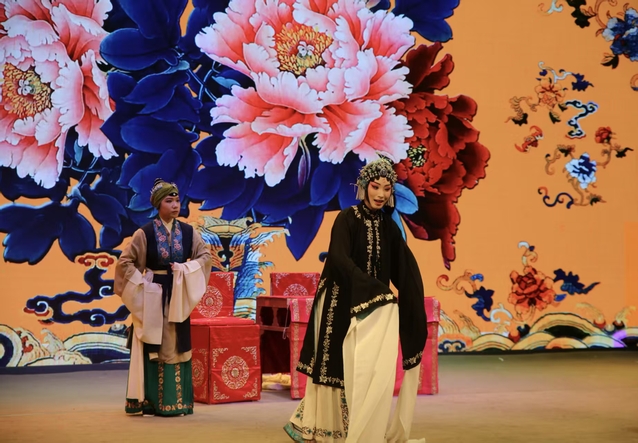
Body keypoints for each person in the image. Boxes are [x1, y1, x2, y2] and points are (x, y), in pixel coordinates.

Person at [284, 157, 428, 442]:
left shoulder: (389, 227)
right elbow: (339, 259)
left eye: (387, 188)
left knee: (367, 366)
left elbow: (404, 269)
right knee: (336, 363)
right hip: (340, 300)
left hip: (374, 311)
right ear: (363, 186)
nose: (381, 194)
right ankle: (326, 427)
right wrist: (374, 290)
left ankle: (360, 428)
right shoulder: (347, 218)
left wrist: (411, 305)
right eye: (375, 186)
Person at [115, 178, 212, 416]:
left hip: (178, 294)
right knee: (155, 344)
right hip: (154, 296)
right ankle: (152, 402)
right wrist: (143, 284)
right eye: (169, 201)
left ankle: (178, 402)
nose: (175, 205)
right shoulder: (145, 233)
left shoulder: (188, 232)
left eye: (177, 200)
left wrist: (185, 269)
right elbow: (125, 262)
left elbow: (205, 257)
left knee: (176, 343)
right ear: (158, 204)